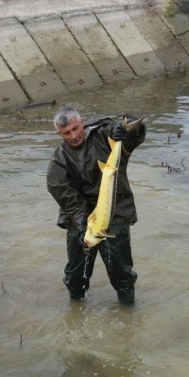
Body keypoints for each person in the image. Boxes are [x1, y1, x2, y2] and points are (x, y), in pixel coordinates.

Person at [46, 106, 146, 305]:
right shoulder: (59, 160)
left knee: (122, 274)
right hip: (81, 219)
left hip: (115, 212)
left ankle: (127, 315)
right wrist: (83, 222)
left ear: (82, 122)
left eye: (75, 128)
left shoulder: (104, 133)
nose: (73, 135)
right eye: (67, 133)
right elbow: (63, 193)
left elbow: (132, 138)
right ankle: (76, 307)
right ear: (59, 134)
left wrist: (128, 129)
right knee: (76, 276)